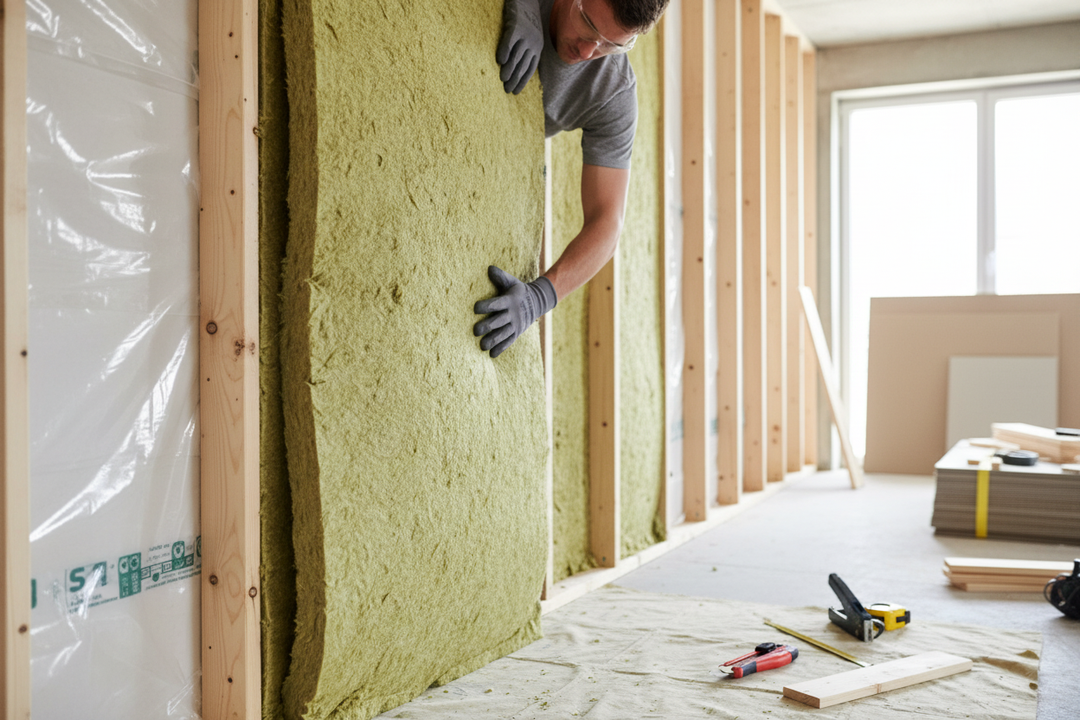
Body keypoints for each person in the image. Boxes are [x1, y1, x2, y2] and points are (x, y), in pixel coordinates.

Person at [473, 0, 669, 358]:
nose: (587, 50)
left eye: (612, 43)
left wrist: (540, 297)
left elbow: (607, 223)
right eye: (587, 24)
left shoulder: (613, 92)